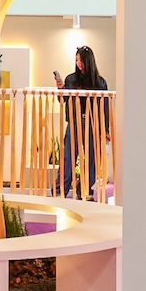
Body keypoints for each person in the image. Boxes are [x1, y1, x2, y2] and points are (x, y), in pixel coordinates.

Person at [54, 45, 110, 200]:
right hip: (74, 123)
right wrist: (61, 89)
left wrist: (105, 129)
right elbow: (63, 100)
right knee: (68, 157)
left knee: (92, 160)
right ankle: (60, 190)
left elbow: (104, 107)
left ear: (88, 61)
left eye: (81, 60)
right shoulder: (70, 79)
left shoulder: (100, 82)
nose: (78, 63)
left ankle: (86, 190)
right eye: (77, 60)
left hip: (93, 125)